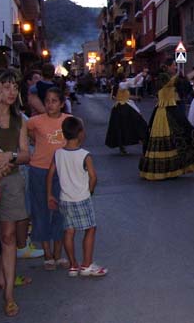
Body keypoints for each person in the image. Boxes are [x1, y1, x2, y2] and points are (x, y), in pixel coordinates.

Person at [47, 116, 107, 276]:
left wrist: (49, 195)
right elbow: (93, 177)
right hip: (81, 198)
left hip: (65, 199)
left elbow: (50, 173)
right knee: (90, 228)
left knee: (69, 231)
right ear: (80, 133)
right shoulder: (85, 155)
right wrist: (90, 190)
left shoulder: (58, 153)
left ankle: (73, 264)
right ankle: (86, 264)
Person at [0, 70, 31, 317]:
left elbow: (26, 154)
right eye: (6, 86)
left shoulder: (20, 120)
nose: (11, 92)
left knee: (8, 237)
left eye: (14, 87)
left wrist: (10, 156)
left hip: (12, 181)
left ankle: (8, 294)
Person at [25, 88, 69, 271]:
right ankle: (47, 253)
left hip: (62, 171)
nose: (50, 104)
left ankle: (58, 253)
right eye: (48, 101)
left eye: (54, 101)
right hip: (39, 170)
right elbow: (28, 133)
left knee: (61, 211)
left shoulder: (68, 121)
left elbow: (79, 135)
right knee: (41, 210)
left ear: (61, 103)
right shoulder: (35, 121)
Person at [139, 70, 194, 180]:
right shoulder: (167, 85)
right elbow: (181, 79)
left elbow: (182, 79)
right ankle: (172, 168)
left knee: (168, 139)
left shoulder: (162, 87)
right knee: (181, 134)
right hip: (169, 112)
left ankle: (165, 169)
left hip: (159, 114)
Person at [105, 77, 148, 155]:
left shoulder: (118, 87)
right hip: (124, 109)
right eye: (125, 78)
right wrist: (141, 74)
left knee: (122, 128)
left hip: (120, 108)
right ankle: (142, 140)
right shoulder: (121, 85)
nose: (126, 79)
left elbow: (125, 96)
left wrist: (135, 98)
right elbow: (131, 83)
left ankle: (124, 146)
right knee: (136, 124)